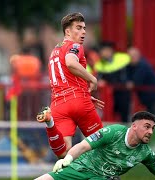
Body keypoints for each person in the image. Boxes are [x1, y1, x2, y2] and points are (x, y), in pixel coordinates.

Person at [36, 12, 104, 158]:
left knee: (64, 153)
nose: (83, 32)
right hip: (78, 100)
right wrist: (92, 79)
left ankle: (50, 124)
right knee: (102, 146)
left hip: (58, 105)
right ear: (68, 31)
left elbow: (65, 76)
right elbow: (71, 63)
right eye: (78, 28)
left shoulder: (54, 50)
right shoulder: (75, 46)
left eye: (84, 28)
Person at [35, 111, 155, 180]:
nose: (150, 132)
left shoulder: (145, 153)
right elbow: (84, 145)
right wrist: (68, 159)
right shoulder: (114, 132)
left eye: (153, 128)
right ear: (134, 126)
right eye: (147, 127)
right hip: (81, 169)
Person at [94, 41, 131, 123]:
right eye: (103, 51)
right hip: (110, 94)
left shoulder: (123, 58)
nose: (105, 53)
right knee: (110, 114)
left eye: (107, 50)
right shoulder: (100, 64)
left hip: (123, 91)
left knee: (124, 113)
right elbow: (99, 78)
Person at [127, 47, 155, 120]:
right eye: (130, 56)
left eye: (133, 56)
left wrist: (129, 83)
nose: (131, 58)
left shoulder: (142, 65)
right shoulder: (134, 66)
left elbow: (136, 82)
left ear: (138, 56)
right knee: (151, 120)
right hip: (149, 97)